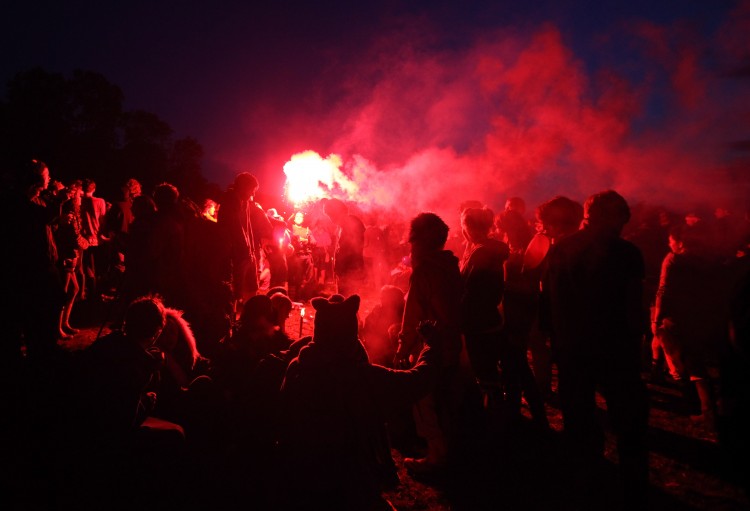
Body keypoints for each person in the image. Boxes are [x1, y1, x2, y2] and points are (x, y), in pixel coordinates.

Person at [277, 294, 442, 510]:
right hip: (347, 485)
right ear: (349, 334)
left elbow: (281, 420)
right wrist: (432, 346)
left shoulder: (297, 367)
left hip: (300, 479)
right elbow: (416, 381)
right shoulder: (359, 378)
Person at [541, 190, 649, 508]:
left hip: (572, 347)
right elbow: (632, 305)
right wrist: (637, 340)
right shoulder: (626, 253)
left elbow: (546, 298)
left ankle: (585, 478)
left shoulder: (561, 248)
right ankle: (630, 485)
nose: (622, 227)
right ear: (605, 217)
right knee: (628, 419)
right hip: (614, 347)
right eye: (620, 220)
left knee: (578, 416)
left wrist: (553, 336)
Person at [395, 212, 465, 474]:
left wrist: (403, 346)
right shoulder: (450, 265)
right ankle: (449, 447)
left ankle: (437, 456)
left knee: (423, 398)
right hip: (450, 344)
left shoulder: (425, 270)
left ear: (417, 240)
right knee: (443, 397)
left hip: (430, 347)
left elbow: (413, 313)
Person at [217, 172, 273, 320]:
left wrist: (250, 251)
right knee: (234, 290)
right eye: (252, 190)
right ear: (242, 187)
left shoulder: (246, 203)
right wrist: (244, 250)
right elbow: (235, 228)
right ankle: (231, 321)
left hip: (246, 253)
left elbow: (247, 228)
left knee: (251, 287)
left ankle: (248, 320)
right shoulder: (230, 201)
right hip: (233, 254)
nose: (253, 194)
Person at [323, 198, 366, 296]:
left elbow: (350, 248)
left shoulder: (351, 222)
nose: (330, 218)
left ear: (336, 212)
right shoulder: (341, 226)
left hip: (351, 269)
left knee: (348, 299)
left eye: (330, 215)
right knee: (344, 299)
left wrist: (340, 267)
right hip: (346, 270)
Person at [79, 178, 109, 301]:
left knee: (86, 267)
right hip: (98, 238)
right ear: (94, 189)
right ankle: (96, 293)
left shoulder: (79, 200)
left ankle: (87, 292)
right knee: (97, 267)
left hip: (84, 239)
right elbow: (103, 220)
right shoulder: (100, 201)